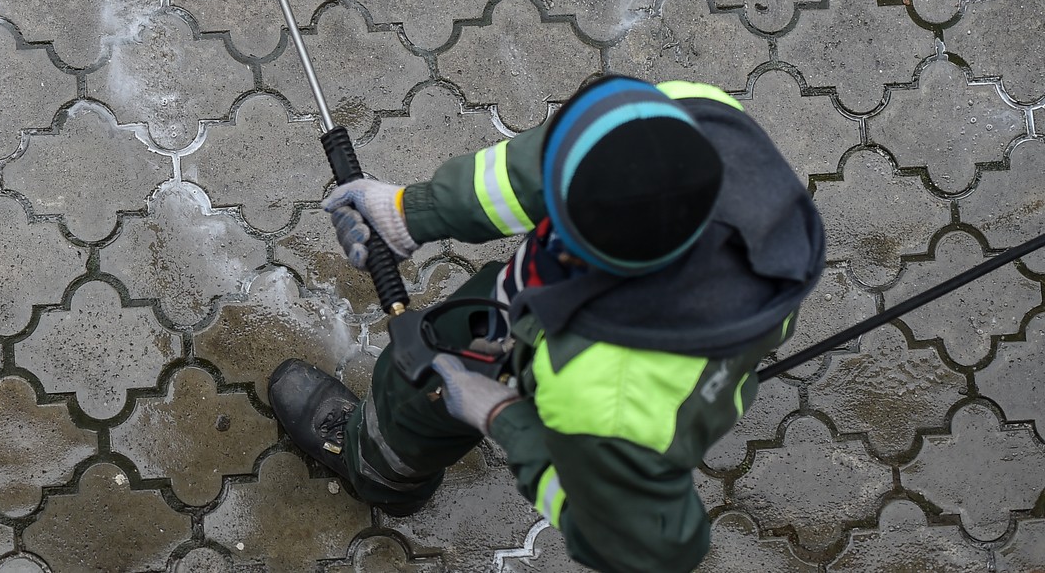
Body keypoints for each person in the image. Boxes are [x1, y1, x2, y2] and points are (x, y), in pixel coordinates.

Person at [270, 77, 824, 573]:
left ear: (595, 259)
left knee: (414, 387)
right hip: (720, 340)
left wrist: (503, 416)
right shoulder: (687, 114)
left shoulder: (599, 394)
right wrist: (412, 212)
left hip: (607, 395)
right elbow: (537, 166)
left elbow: (655, 547)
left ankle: (381, 472)